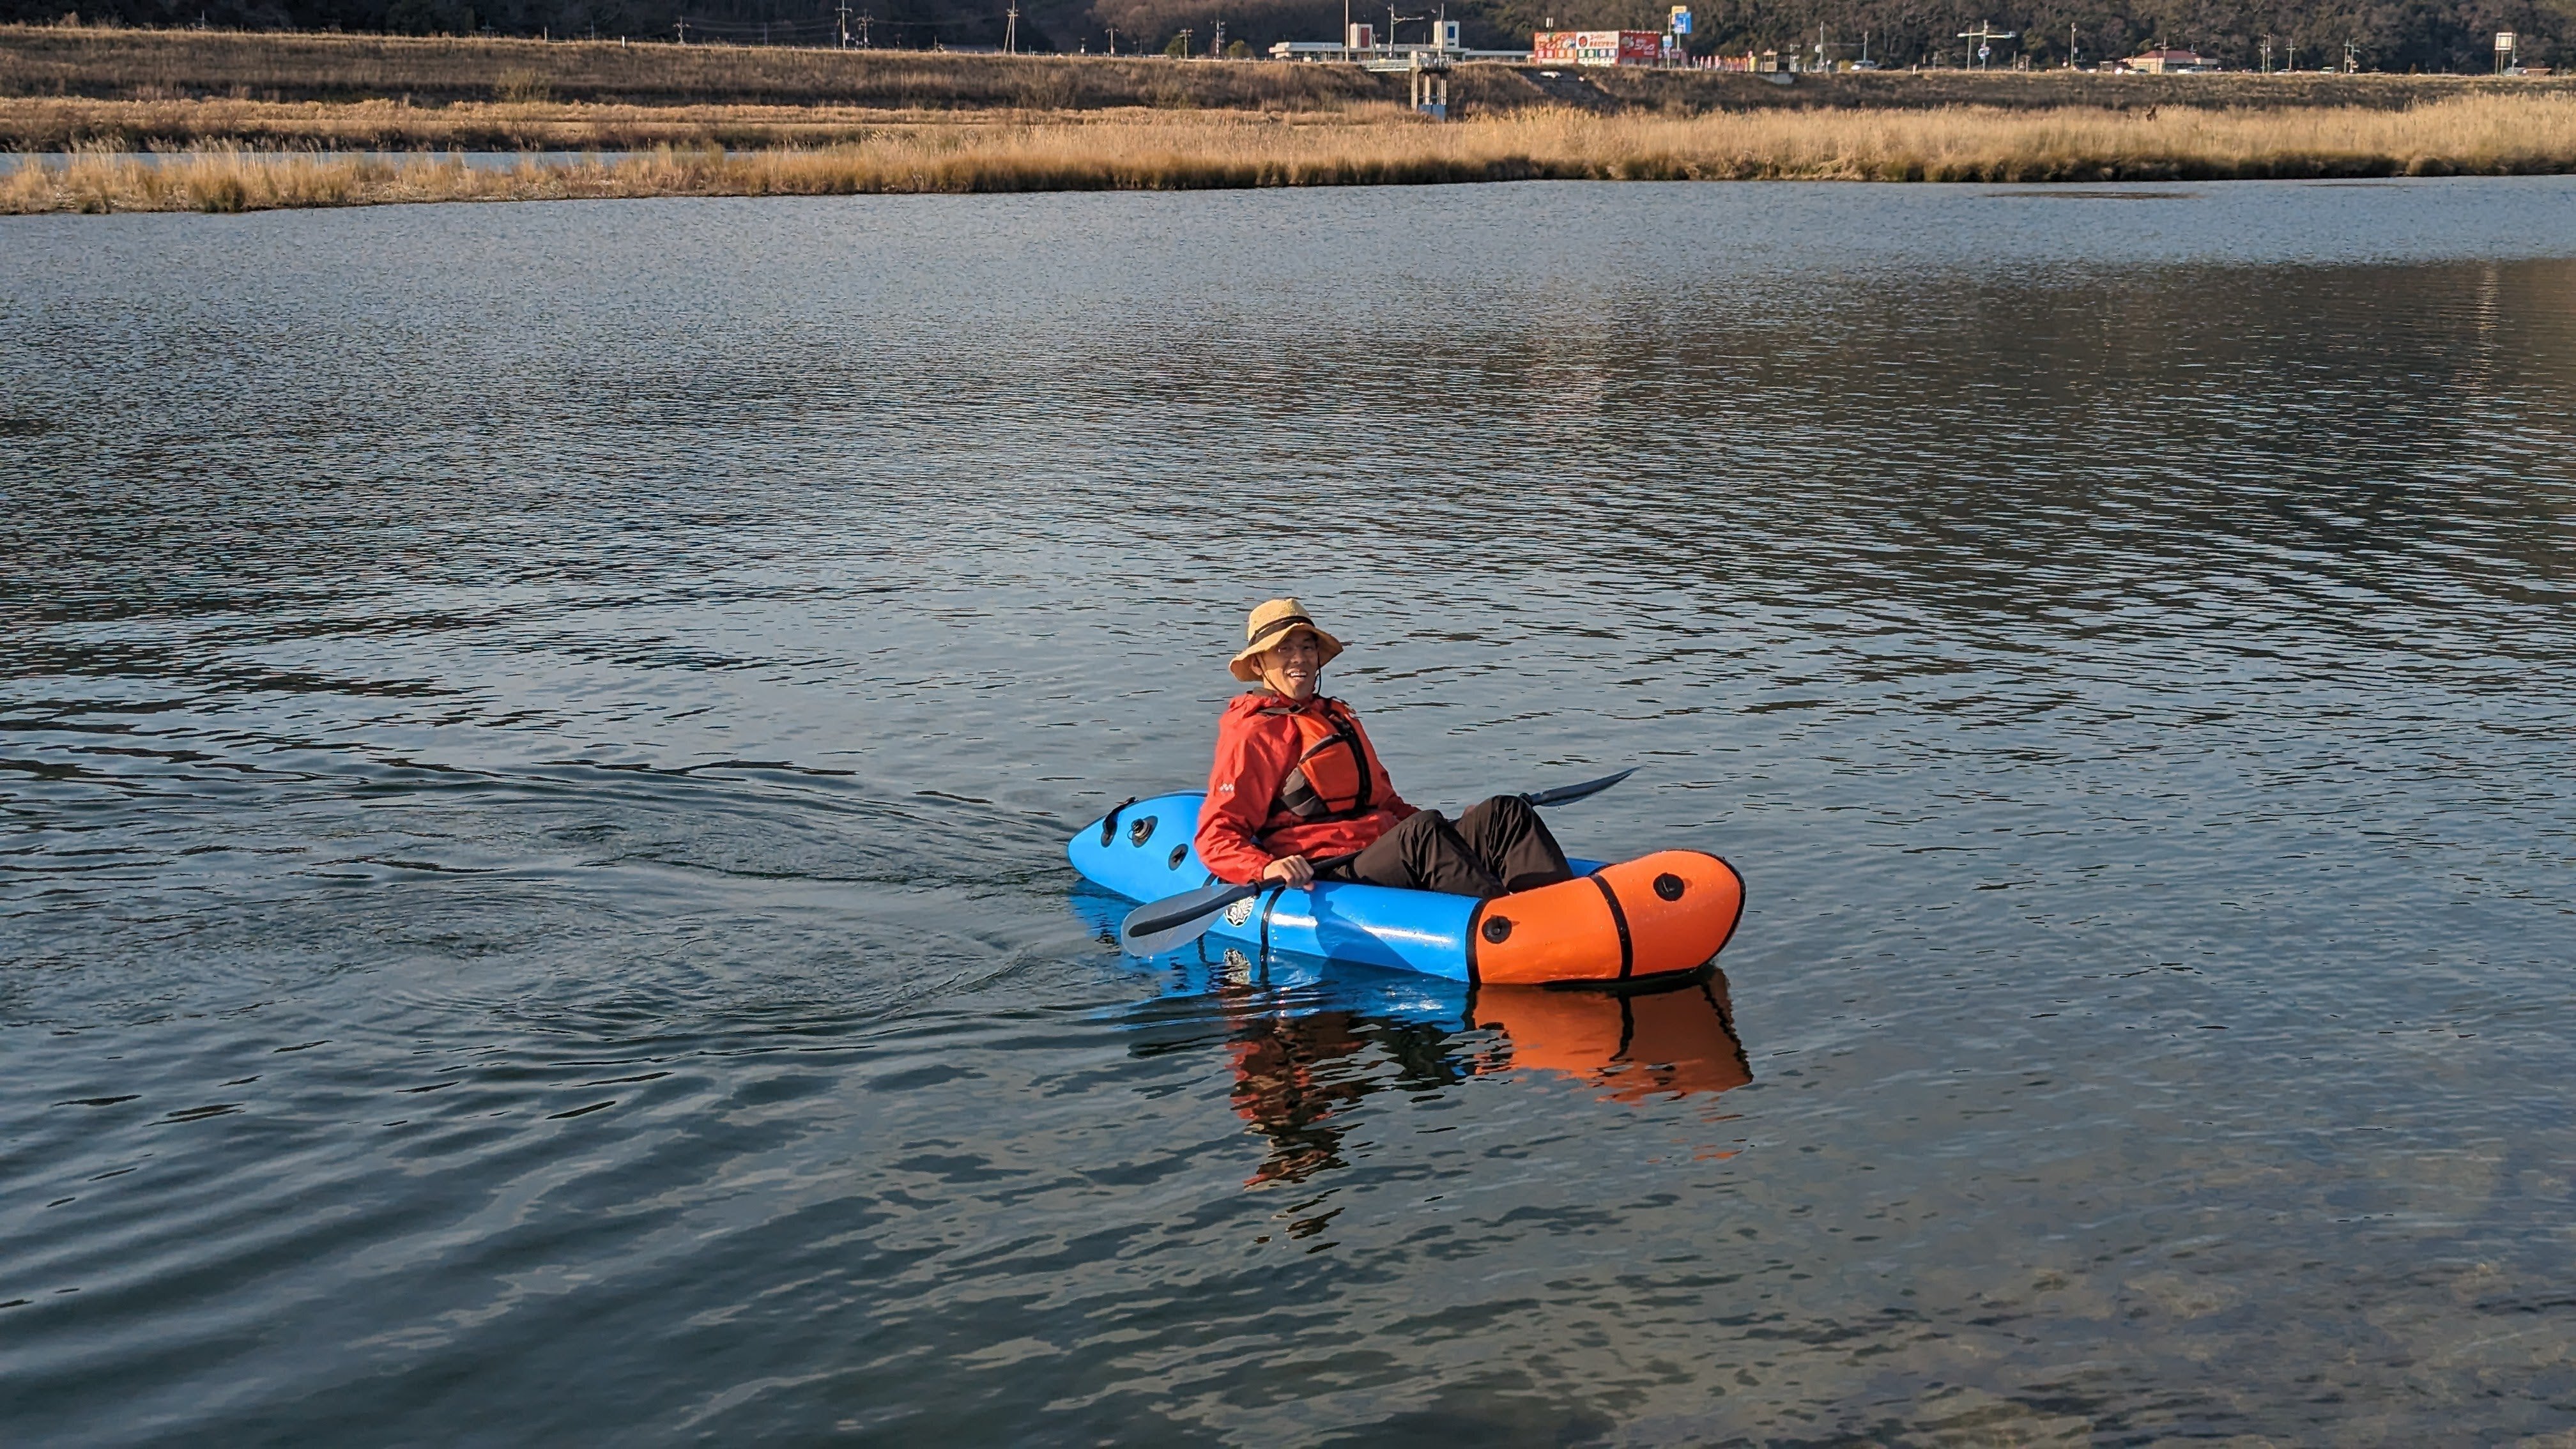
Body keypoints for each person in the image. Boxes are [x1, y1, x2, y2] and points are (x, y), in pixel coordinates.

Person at [1193, 597, 1576, 899]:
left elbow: (1388, 805)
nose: (1299, 659)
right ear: (1259, 663)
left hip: (1380, 847)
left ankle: (1561, 905)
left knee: (1504, 813)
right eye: (1283, 649)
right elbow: (1217, 835)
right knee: (1422, 833)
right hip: (1331, 866)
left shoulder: (1337, 717)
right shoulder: (1253, 733)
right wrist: (1265, 869)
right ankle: (1510, 928)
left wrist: (1453, 827)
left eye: (1307, 648)